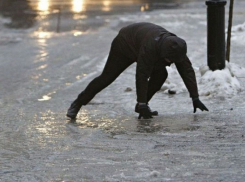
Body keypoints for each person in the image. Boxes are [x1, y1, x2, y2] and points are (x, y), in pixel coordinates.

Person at [66, 22, 208, 120]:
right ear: (163, 54)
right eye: (169, 61)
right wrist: (142, 103)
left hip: (141, 40)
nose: (171, 64)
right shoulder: (150, 48)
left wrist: (195, 97)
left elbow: (187, 71)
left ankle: (141, 105)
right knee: (107, 77)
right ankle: (78, 102)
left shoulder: (176, 47)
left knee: (161, 74)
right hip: (125, 44)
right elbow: (142, 75)